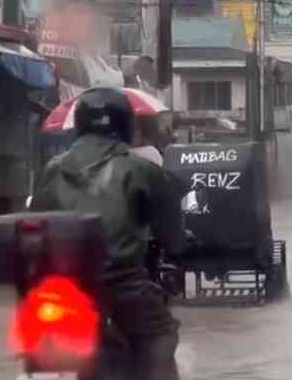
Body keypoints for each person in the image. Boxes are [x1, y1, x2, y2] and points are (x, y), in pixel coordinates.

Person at [30, 88, 184, 380]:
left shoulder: (51, 169)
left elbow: (37, 223)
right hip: (125, 286)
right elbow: (174, 237)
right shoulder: (140, 168)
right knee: (162, 334)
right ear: (126, 124)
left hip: (69, 291)